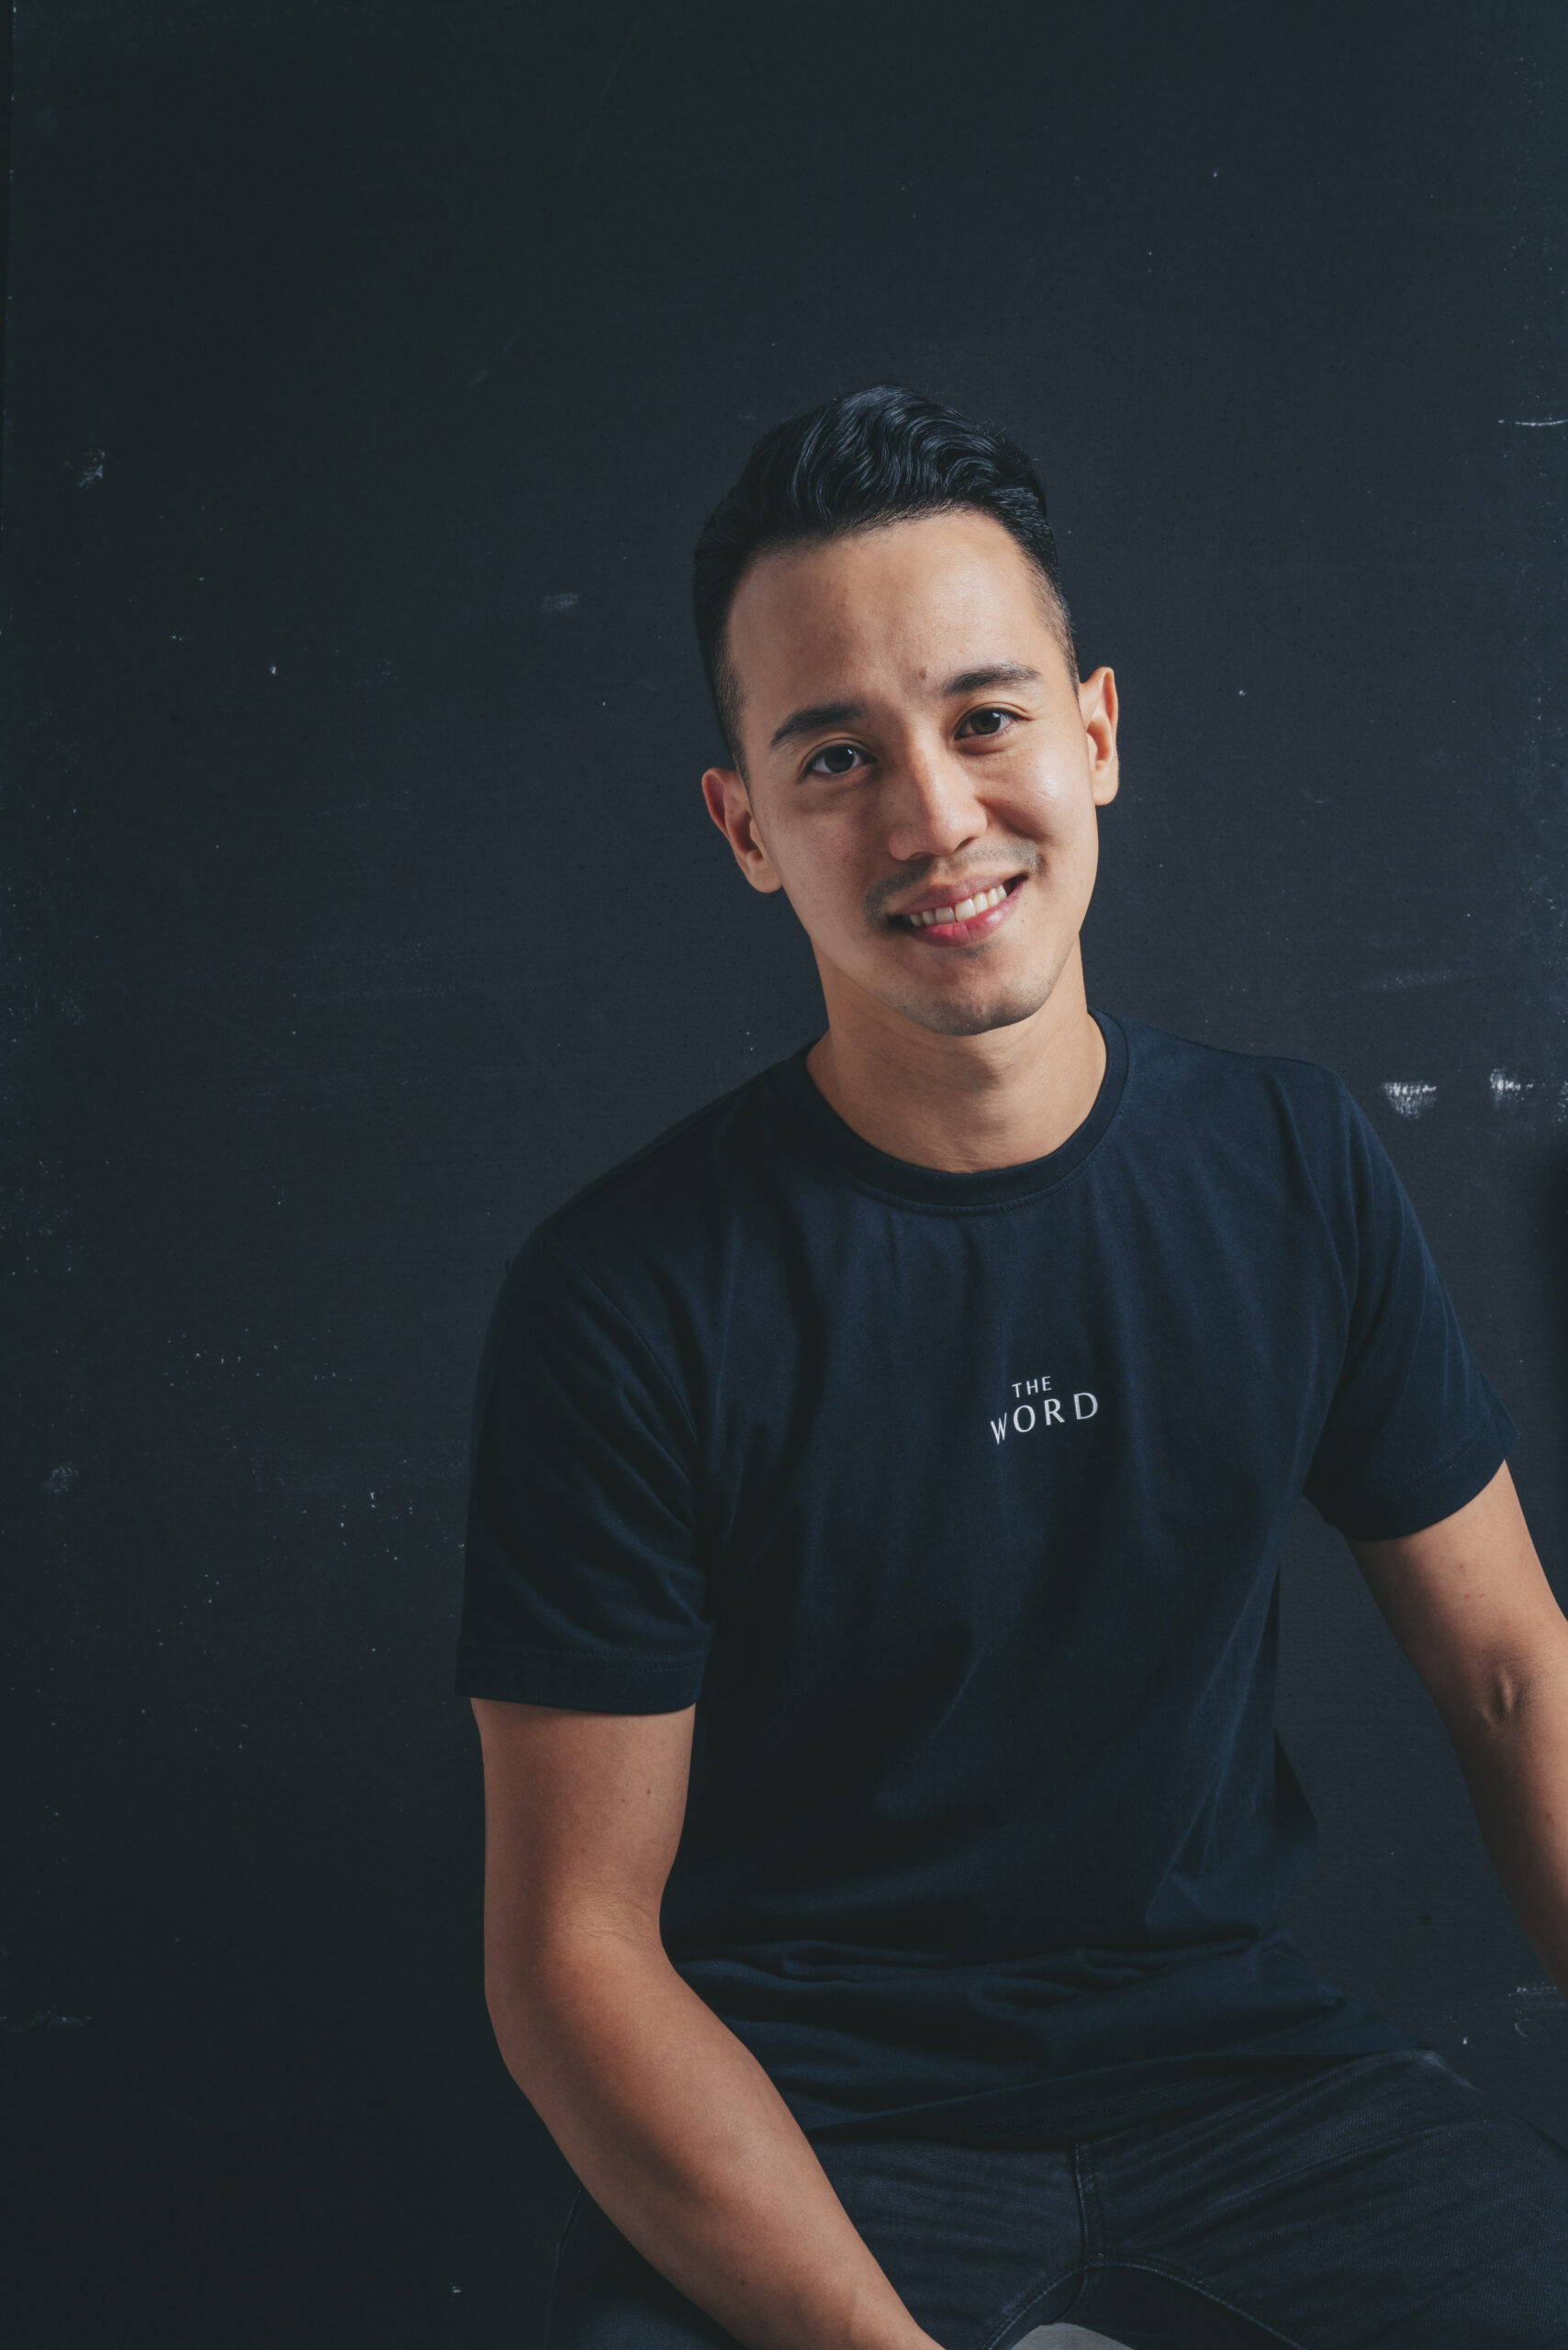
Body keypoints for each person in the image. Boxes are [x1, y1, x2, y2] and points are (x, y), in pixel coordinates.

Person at [457, 387, 1568, 2348]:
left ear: (1096, 734)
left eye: (984, 718)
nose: (932, 817)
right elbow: (572, 1953)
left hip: (1247, 2088)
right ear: (744, 827)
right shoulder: (624, 1296)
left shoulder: (1290, 1160)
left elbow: (1509, 1673)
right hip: (812, 2128)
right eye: (834, 756)